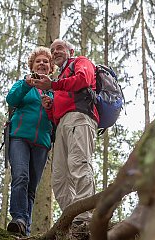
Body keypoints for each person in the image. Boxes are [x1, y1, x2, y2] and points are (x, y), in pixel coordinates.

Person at [33, 39, 99, 226]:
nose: (55, 53)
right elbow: (55, 117)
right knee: (59, 178)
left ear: (70, 50)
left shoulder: (80, 62)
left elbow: (84, 80)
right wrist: (49, 108)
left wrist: (52, 85)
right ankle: (73, 221)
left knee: (79, 165)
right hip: (62, 124)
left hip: (80, 117)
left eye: (59, 48)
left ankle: (85, 219)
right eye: (52, 51)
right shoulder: (61, 78)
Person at [5, 46, 55, 236]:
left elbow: (57, 119)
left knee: (32, 188)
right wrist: (27, 84)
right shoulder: (22, 84)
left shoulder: (53, 92)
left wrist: (51, 107)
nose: (42, 64)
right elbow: (11, 99)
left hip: (42, 143)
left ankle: (23, 229)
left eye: (46, 62)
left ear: (50, 68)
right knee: (21, 177)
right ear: (32, 66)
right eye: (38, 61)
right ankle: (18, 218)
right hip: (19, 137)